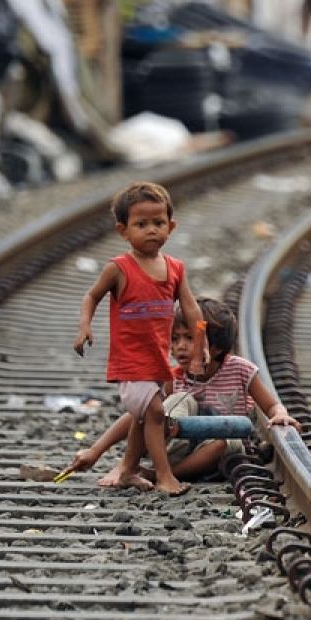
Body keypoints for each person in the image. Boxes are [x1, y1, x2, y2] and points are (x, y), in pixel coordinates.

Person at [67, 297, 301, 483]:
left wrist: (280, 414)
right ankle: (143, 462)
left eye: (189, 338)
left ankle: (163, 473)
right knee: (169, 401)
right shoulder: (175, 376)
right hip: (177, 445)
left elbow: (271, 405)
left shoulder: (240, 369)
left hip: (216, 453)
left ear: (217, 347)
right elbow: (139, 415)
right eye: (175, 338)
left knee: (222, 442)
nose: (179, 346)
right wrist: (95, 450)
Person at [73, 181, 205, 496]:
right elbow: (91, 296)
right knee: (156, 413)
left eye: (158, 223)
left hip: (158, 361)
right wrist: (84, 327)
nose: (151, 231)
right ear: (123, 231)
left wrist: (202, 344)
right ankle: (164, 476)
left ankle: (129, 470)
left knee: (141, 418)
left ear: (171, 226)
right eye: (141, 224)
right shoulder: (119, 269)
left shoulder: (175, 268)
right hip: (129, 362)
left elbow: (190, 307)